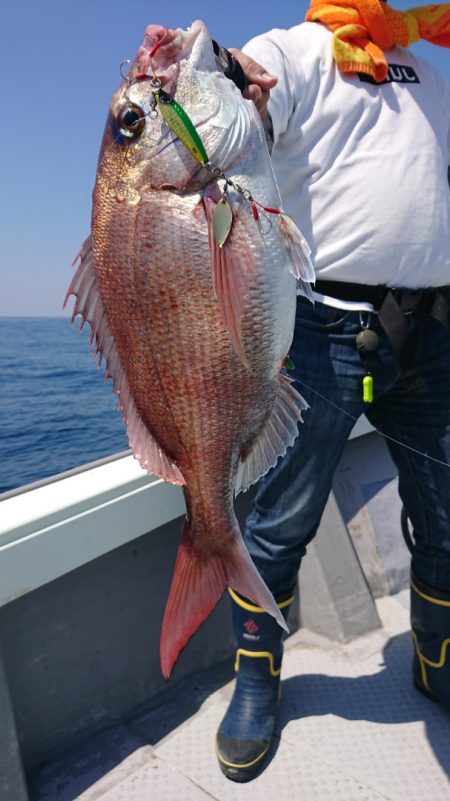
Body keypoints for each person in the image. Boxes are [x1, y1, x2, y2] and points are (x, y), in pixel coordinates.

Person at [213, 0, 450, 783]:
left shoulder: (427, 68)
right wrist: (228, 75)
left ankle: (435, 653)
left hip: (430, 325)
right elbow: (245, 86)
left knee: (447, 509)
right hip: (321, 326)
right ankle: (256, 676)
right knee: (282, 518)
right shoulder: (295, 48)